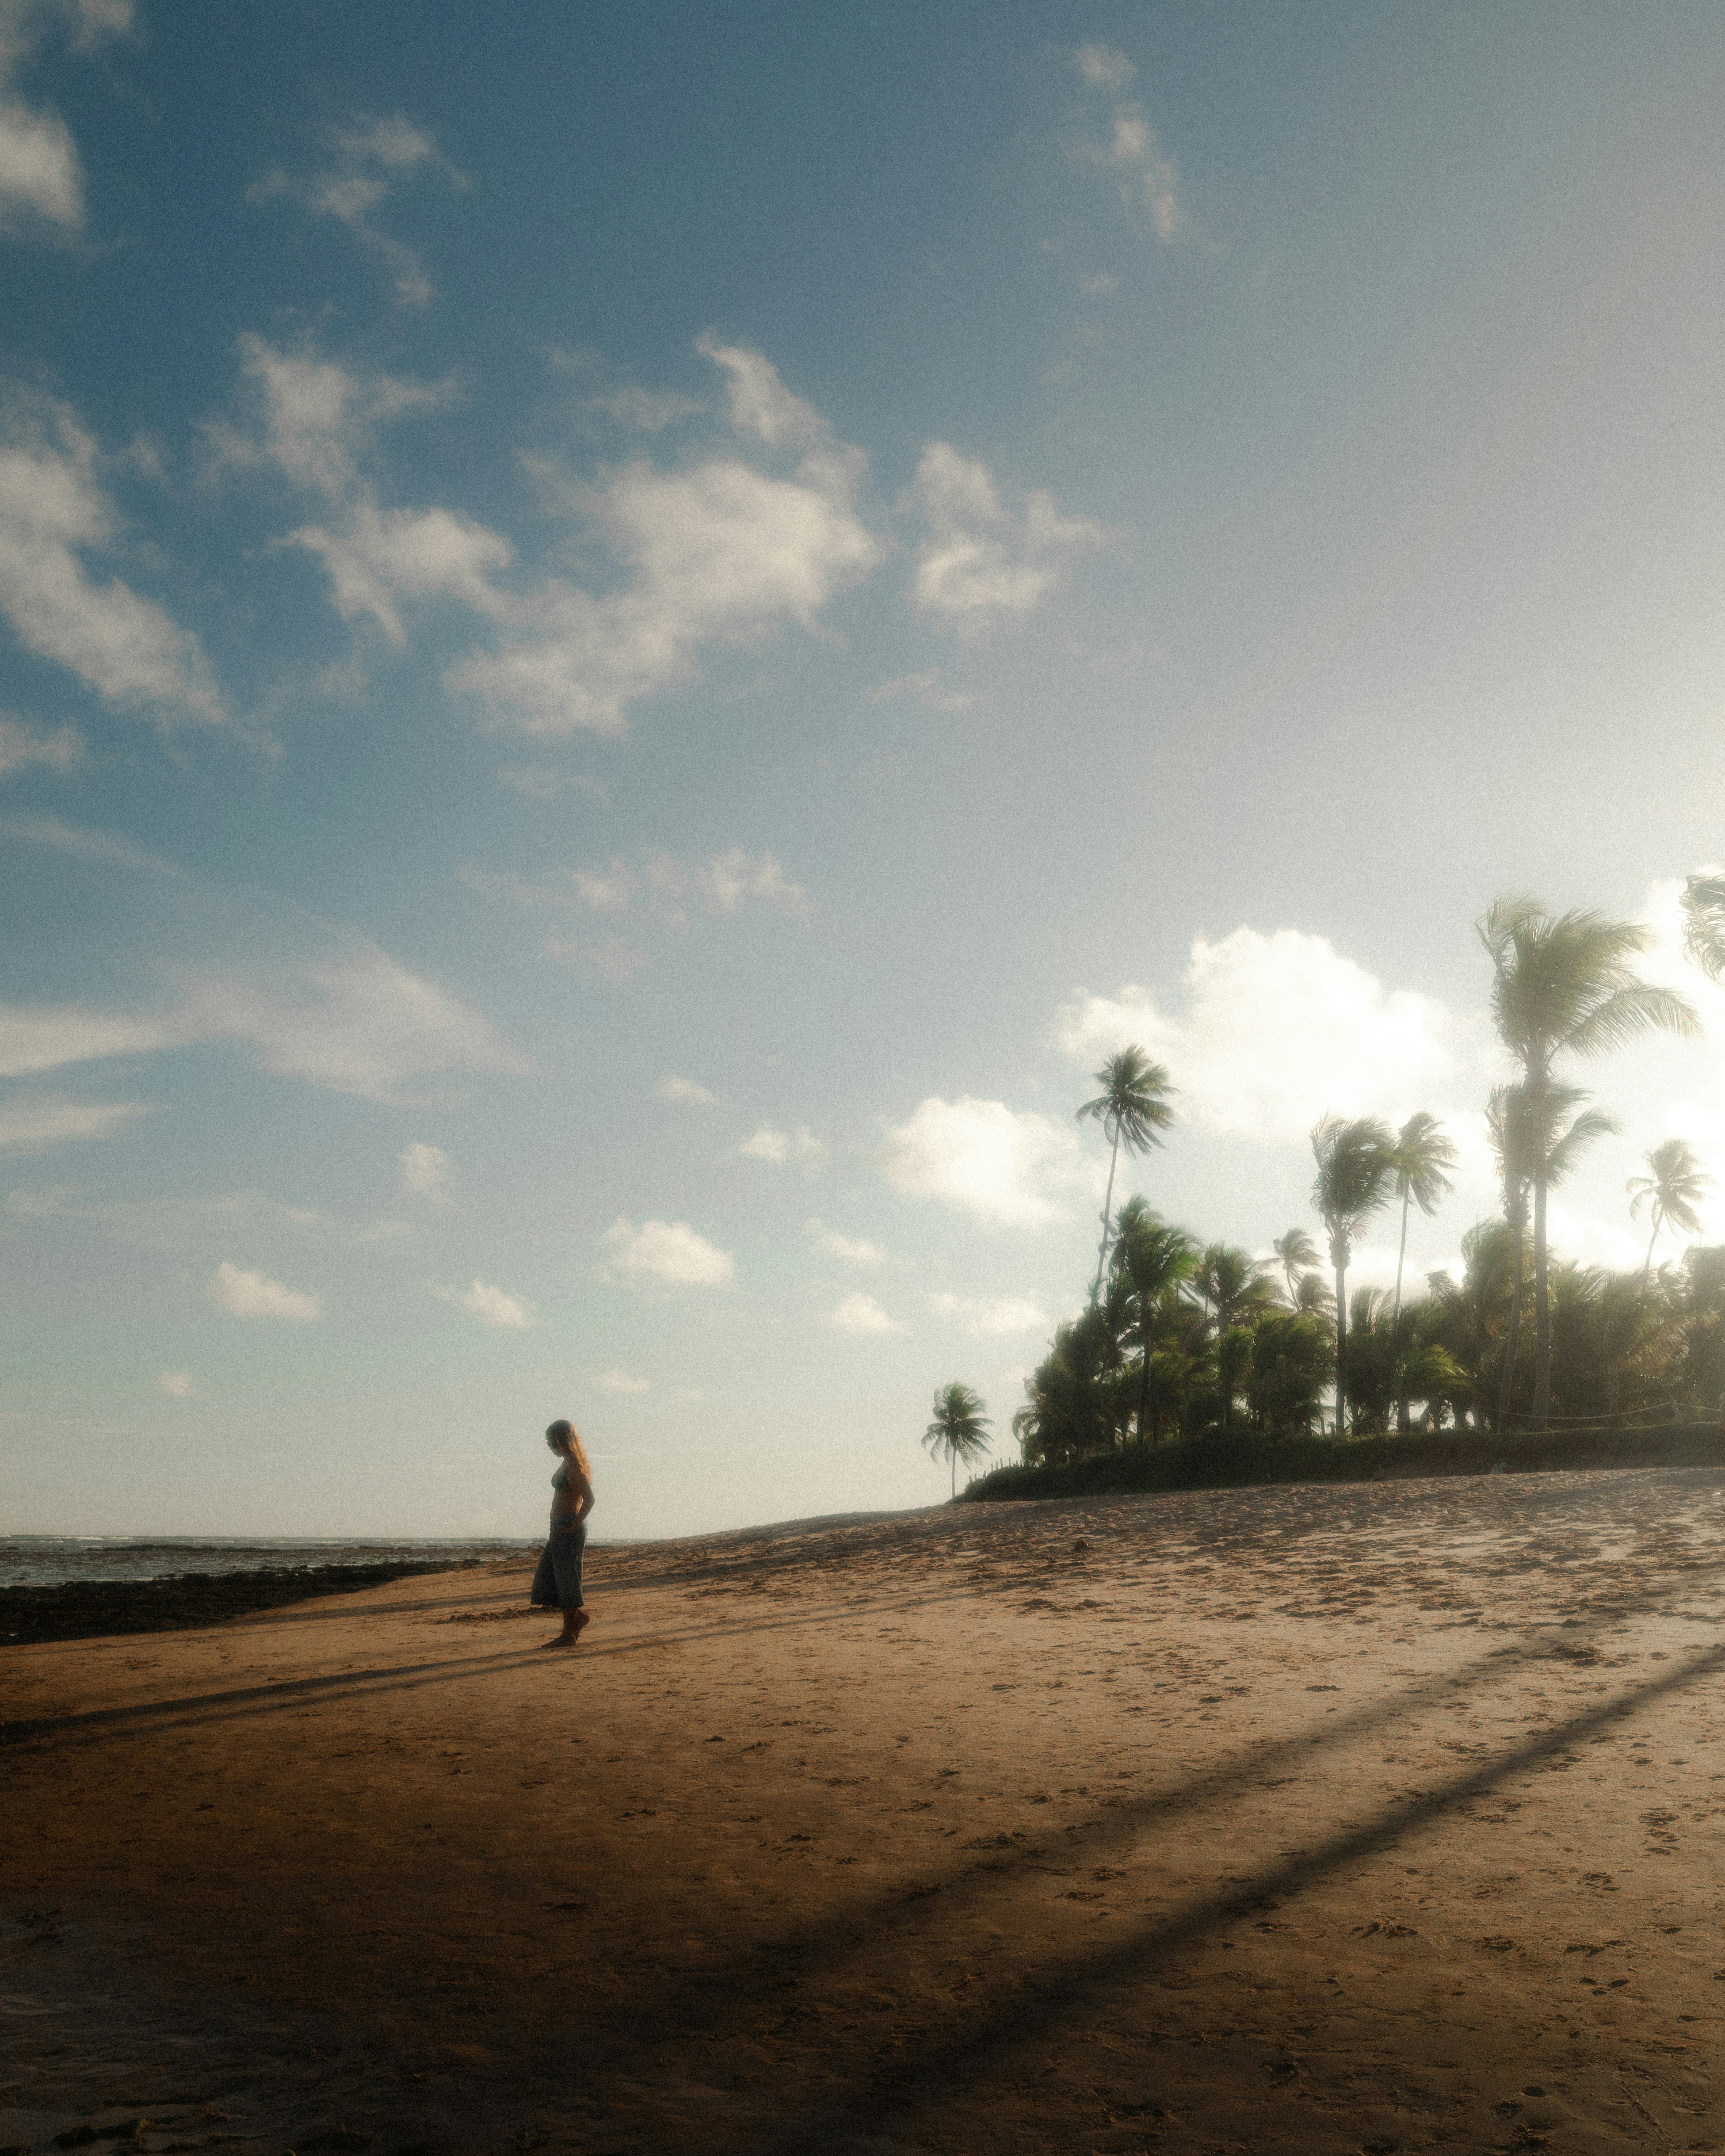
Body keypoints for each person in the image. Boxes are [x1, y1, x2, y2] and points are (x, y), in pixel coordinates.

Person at [530, 1418, 595, 1646]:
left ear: (562, 1440)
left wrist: (573, 1526)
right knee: (551, 1578)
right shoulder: (566, 1464)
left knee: (568, 1580)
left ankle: (569, 1635)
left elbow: (590, 1499)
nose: (550, 1446)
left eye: (552, 1441)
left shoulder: (575, 1466)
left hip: (568, 1527)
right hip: (559, 1527)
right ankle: (577, 1621)